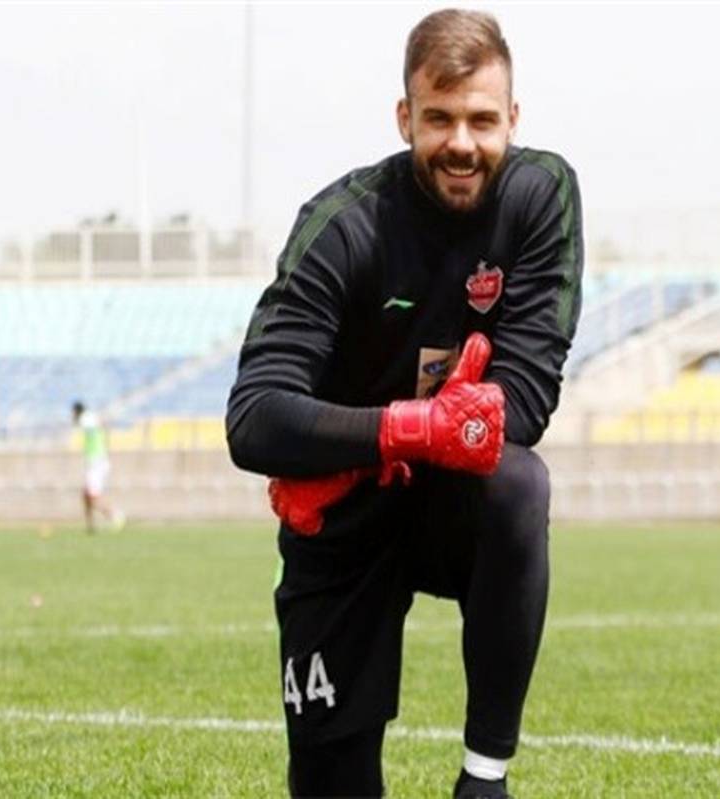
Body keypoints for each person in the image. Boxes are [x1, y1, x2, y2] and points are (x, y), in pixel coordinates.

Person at [226, 8, 582, 798]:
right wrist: (407, 427)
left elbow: (526, 399)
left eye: (483, 120)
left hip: (451, 505)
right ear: (405, 118)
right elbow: (254, 417)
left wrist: (447, 434)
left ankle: (484, 777)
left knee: (519, 484)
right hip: (344, 511)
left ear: (513, 119)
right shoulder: (343, 227)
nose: (463, 142)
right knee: (333, 781)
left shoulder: (540, 197)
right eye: (440, 118)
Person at [71, 401, 124, 534]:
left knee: (92, 496)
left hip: (96, 462)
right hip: (95, 461)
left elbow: (85, 423)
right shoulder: (90, 418)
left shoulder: (86, 418)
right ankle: (90, 526)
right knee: (85, 495)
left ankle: (115, 515)